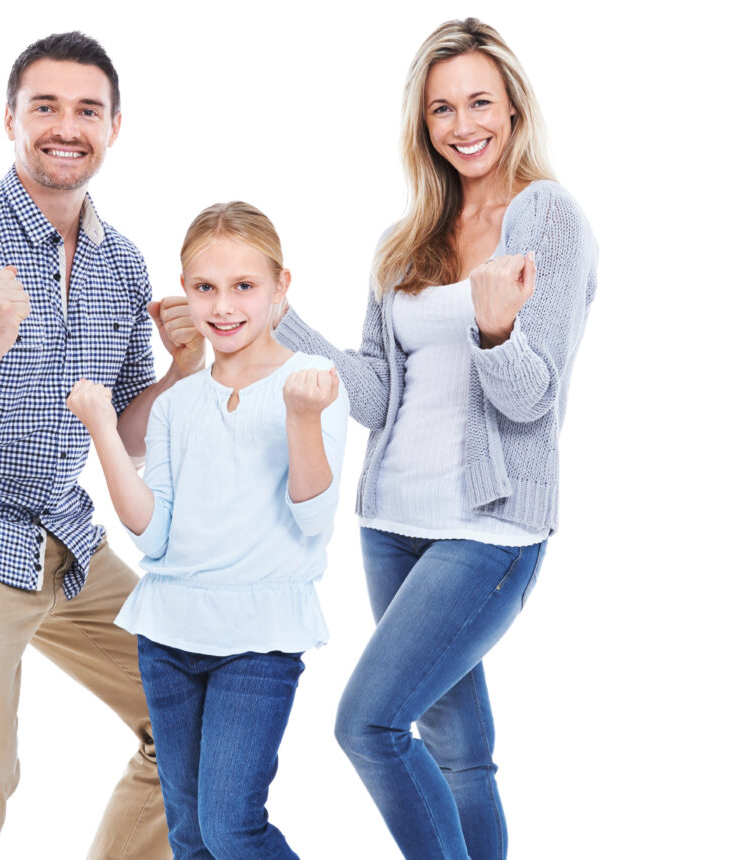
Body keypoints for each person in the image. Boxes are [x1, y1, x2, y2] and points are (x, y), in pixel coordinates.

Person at [273, 18, 598, 860]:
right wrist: (283, 322)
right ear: (423, 125)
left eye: (480, 102)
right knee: (459, 753)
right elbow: (378, 398)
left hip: (489, 529)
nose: (464, 126)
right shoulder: (408, 238)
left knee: (369, 725)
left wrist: (494, 331)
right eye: (442, 110)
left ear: (515, 108)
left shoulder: (548, 217)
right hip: (393, 524)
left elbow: (535, 403)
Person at [0, 32, 203, 860]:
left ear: (115, 126)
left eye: (86, 110)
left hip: (60, 533)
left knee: (190, 715)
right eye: (46, 107)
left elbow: (128, 438)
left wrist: (180, 370)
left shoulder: (120, 264)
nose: (67, 127)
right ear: (10, 119)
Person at [67, 202, 349, 859]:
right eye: (205, 288)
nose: (223, 307)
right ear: (185, 292)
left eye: (244, 286)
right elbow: (153, 536)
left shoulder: (309, 382)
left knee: (231, 828)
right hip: (167, 636)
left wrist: (303, 418)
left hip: (256, 642)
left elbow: (313, 518)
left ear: (282, 287)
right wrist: (105, 431)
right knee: (190, 838)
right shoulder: (178, 404)